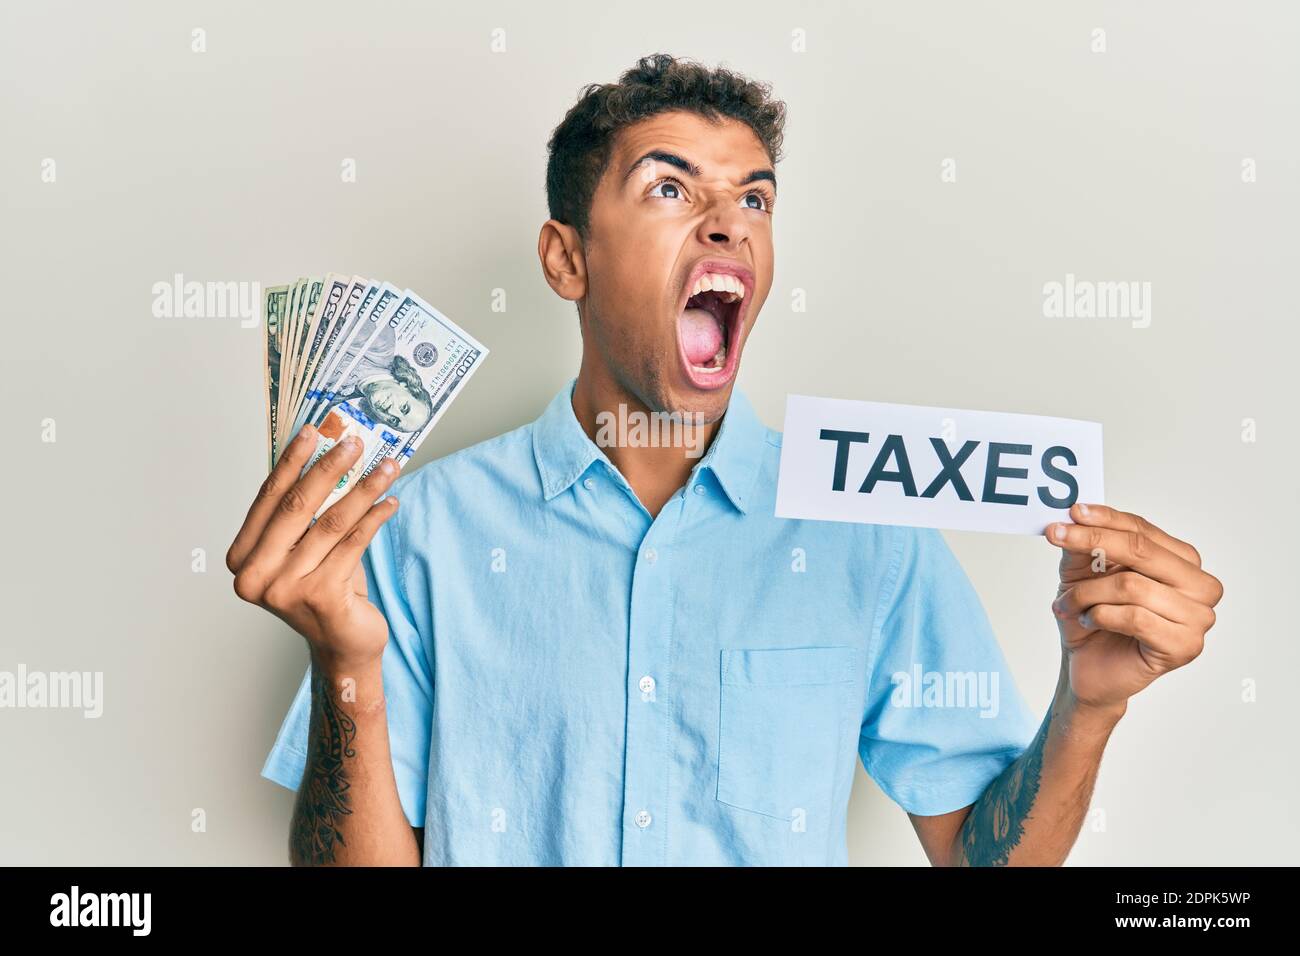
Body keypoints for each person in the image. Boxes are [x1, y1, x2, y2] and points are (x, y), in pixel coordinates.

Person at [227, 53, 1223, 866]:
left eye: (754, 198)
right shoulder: (423, 529)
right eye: (668, 187)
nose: (726, 222)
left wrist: (1088, 707)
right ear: (565, 258)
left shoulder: (864, 525)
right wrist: (342, 661)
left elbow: (976, 855)